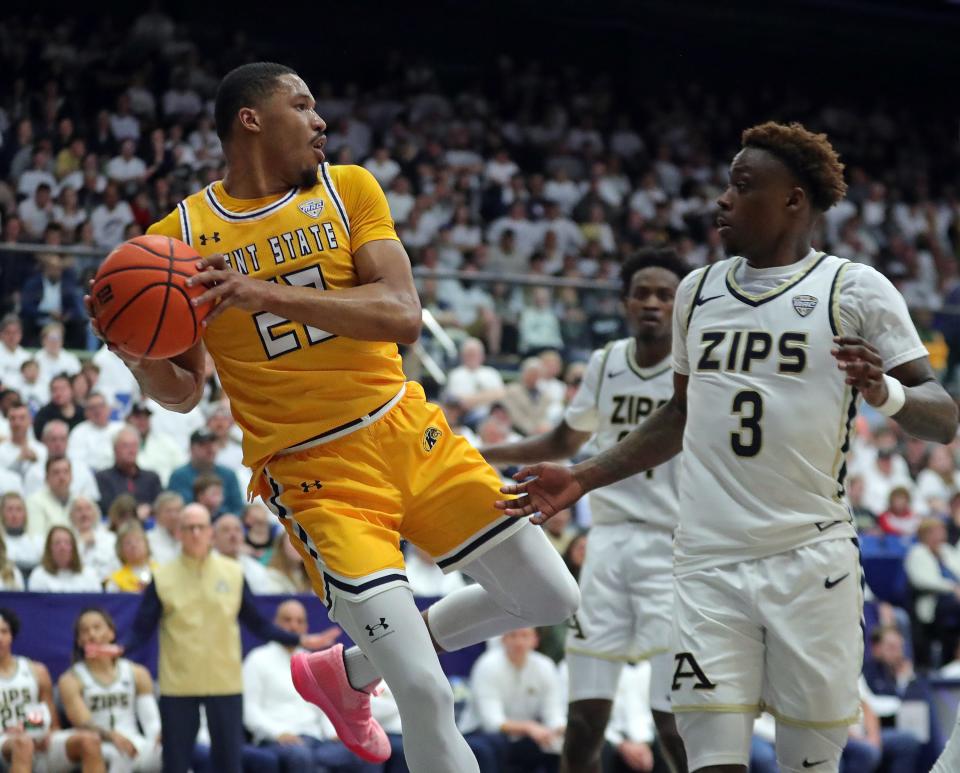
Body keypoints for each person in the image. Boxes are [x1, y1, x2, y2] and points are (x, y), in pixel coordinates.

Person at [88, 62, 578, 773]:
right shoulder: (180, 238)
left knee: (551, 594)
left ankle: (345, 671)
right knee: (423, 689)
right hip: (315, 472)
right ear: (251, 119)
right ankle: (369, 669)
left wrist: (260, 292)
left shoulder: (348, 189)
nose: (320, 120)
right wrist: (133, 349)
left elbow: (402, 315)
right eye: (303, 103)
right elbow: (185, 392)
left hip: (406, 428)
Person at [495, 121, 958, 773]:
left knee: (807, 760)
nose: (722, 200)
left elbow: (942, 417)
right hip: (707, 559)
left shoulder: (854, 288)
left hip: (809, 556)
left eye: (742, 186)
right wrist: (584, 475)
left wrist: (886, 393)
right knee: (707, 755)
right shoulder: (699, 291)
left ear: (794, 200)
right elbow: (680, 412)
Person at [482, 248, 689, 773]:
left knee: (674, 719)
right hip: (608, 544)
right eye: (641, 292)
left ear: (681, 306)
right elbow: (562, 438)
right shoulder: (607, 362)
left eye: (665, 294)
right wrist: (488, 453)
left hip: (673, 546)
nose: (652, 302)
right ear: (623, 302)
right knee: (583, 722)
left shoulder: (695, 371)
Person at [87, 503, 338, 773]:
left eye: (200, 527)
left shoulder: (232, 572)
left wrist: (298, 639)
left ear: (210, 533)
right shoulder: (163, 577)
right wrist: (120, 648)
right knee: (175, 763)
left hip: (225, 683)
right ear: (179, 533)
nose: (195, 533)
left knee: (229, 764)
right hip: (178, 685)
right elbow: (141, 629)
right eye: (188, 527)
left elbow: (258, 624)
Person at [243, 600, 377, 773]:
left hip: (316, 740)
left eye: (299, 621)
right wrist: (278, 734)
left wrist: (334, 733)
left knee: (365, 751)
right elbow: (249, 710)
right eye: (287, 620)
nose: (293, 626)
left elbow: (325, 708)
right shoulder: (257, 659)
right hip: (277, 741)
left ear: (306, 627)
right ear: (275, 623)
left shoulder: (312, 662)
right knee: (301, 757)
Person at [0, 608, 107, 773]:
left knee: (90, 740)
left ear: (11, 635)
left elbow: (52, 721)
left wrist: (46, 732)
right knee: (23, 743)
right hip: (5, 741)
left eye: (4, 631)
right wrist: (12, 732)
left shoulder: (35, 670)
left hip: (36, 738)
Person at [59, 608, 162, 772]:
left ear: (111, 633)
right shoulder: (71, 679)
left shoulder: (137, 672)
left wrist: (159, 736)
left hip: (135, 742)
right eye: (85, 631)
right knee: (119, 755)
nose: (92, 635)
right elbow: (83, 723)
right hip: (101, 744)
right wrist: (112, 736)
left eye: (97, 627)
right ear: (79, 641)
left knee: (172, 752)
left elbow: (151, 723)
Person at [460, 627, 565, 773]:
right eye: (513, 635)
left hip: (526, 738)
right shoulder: (487, 665)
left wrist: (561, 729)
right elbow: (492, 722)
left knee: (561, 748)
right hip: (481, 734)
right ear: (503, 639)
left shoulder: (545, 666)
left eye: (525, 636)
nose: (519, 642)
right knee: (489, 747)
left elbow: (553, 714)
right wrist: (529, 727)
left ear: (535, 640)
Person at [167, 430, 244, 517]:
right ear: (191, 449)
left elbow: (238, 509)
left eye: (213, 443)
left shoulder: (229, 475)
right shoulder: (179, 476)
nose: (210, 448)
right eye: (203, 444)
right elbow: (179, 508)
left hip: (224, 525)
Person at [24, 419, 101, 501]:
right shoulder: (34, 472)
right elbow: (31, 502)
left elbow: (93, 499)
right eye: (53, 439)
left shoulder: (81, 468)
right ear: (44, 441)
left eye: (62, 439)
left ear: (68, 441)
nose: (58, 444)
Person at [95, 426, 162, 515]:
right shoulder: (103, 478)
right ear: (115, 449)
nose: (131, 450)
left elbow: (161, 505)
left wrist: (149, 508)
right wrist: (135, 513)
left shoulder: (152, 478)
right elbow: (106, 507)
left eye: (134, 445)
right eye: (126, 446)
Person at [27, 525, 102, 592]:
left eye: (67, 543)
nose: (62, 547)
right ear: (49, 548)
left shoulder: (89, 574)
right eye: (57, 543)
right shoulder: (39, 575)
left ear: (74, 548)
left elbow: (98, 605)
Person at [213, 512, 272, 593]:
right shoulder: (204, 564)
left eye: (237, 530)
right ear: (214, 537)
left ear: (243, 537)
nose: (233, 535)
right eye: (226, 530)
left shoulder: (256, 569)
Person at [26, 456, 75, 539]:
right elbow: (36, 538)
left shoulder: (80, 501)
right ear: (47, 478)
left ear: (71, 476)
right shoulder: (35, 501)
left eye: (65, 472)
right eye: (56, 472)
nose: (62, 477)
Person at [105, 521, 156, 592]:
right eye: (128, 543)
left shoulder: (160, 572)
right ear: (120, 549)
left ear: (147, 544)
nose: (133, 545)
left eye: (137, 540)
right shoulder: (115, 580)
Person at [0, 493, 42, 571]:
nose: (14, 514)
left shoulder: (38, 541)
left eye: (19, 509)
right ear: (2, 513)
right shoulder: (1, 542)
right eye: (9, 509)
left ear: (25, 514)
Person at [146, 491, 182, 564]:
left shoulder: (188, 538)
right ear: (157, 514)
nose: (174, 516)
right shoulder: (147, 540)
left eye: (178, 510)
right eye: (168, 511)